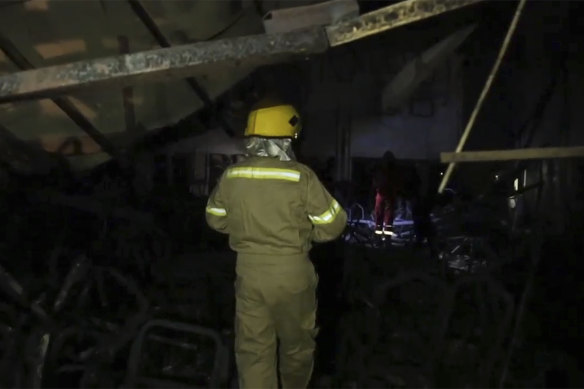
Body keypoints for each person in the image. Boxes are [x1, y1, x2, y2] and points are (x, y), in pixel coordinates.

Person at [205, 100, 347, 389]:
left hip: (249, 274)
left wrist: (247, 232)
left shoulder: (231, 176)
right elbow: (334, 224)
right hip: (292, 274)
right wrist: (306, 236)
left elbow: (215, 219)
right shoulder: (300, 176)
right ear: (287, 138)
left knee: (254, 349)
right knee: (296, 346)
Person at [372, 150, 400, 236]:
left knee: (383, 214)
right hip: (385, 194)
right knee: (385, 214)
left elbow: (375, 182)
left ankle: (380, 236)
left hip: (384, 193)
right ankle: (384, 236)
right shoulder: (392, 171)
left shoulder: (382, 170)